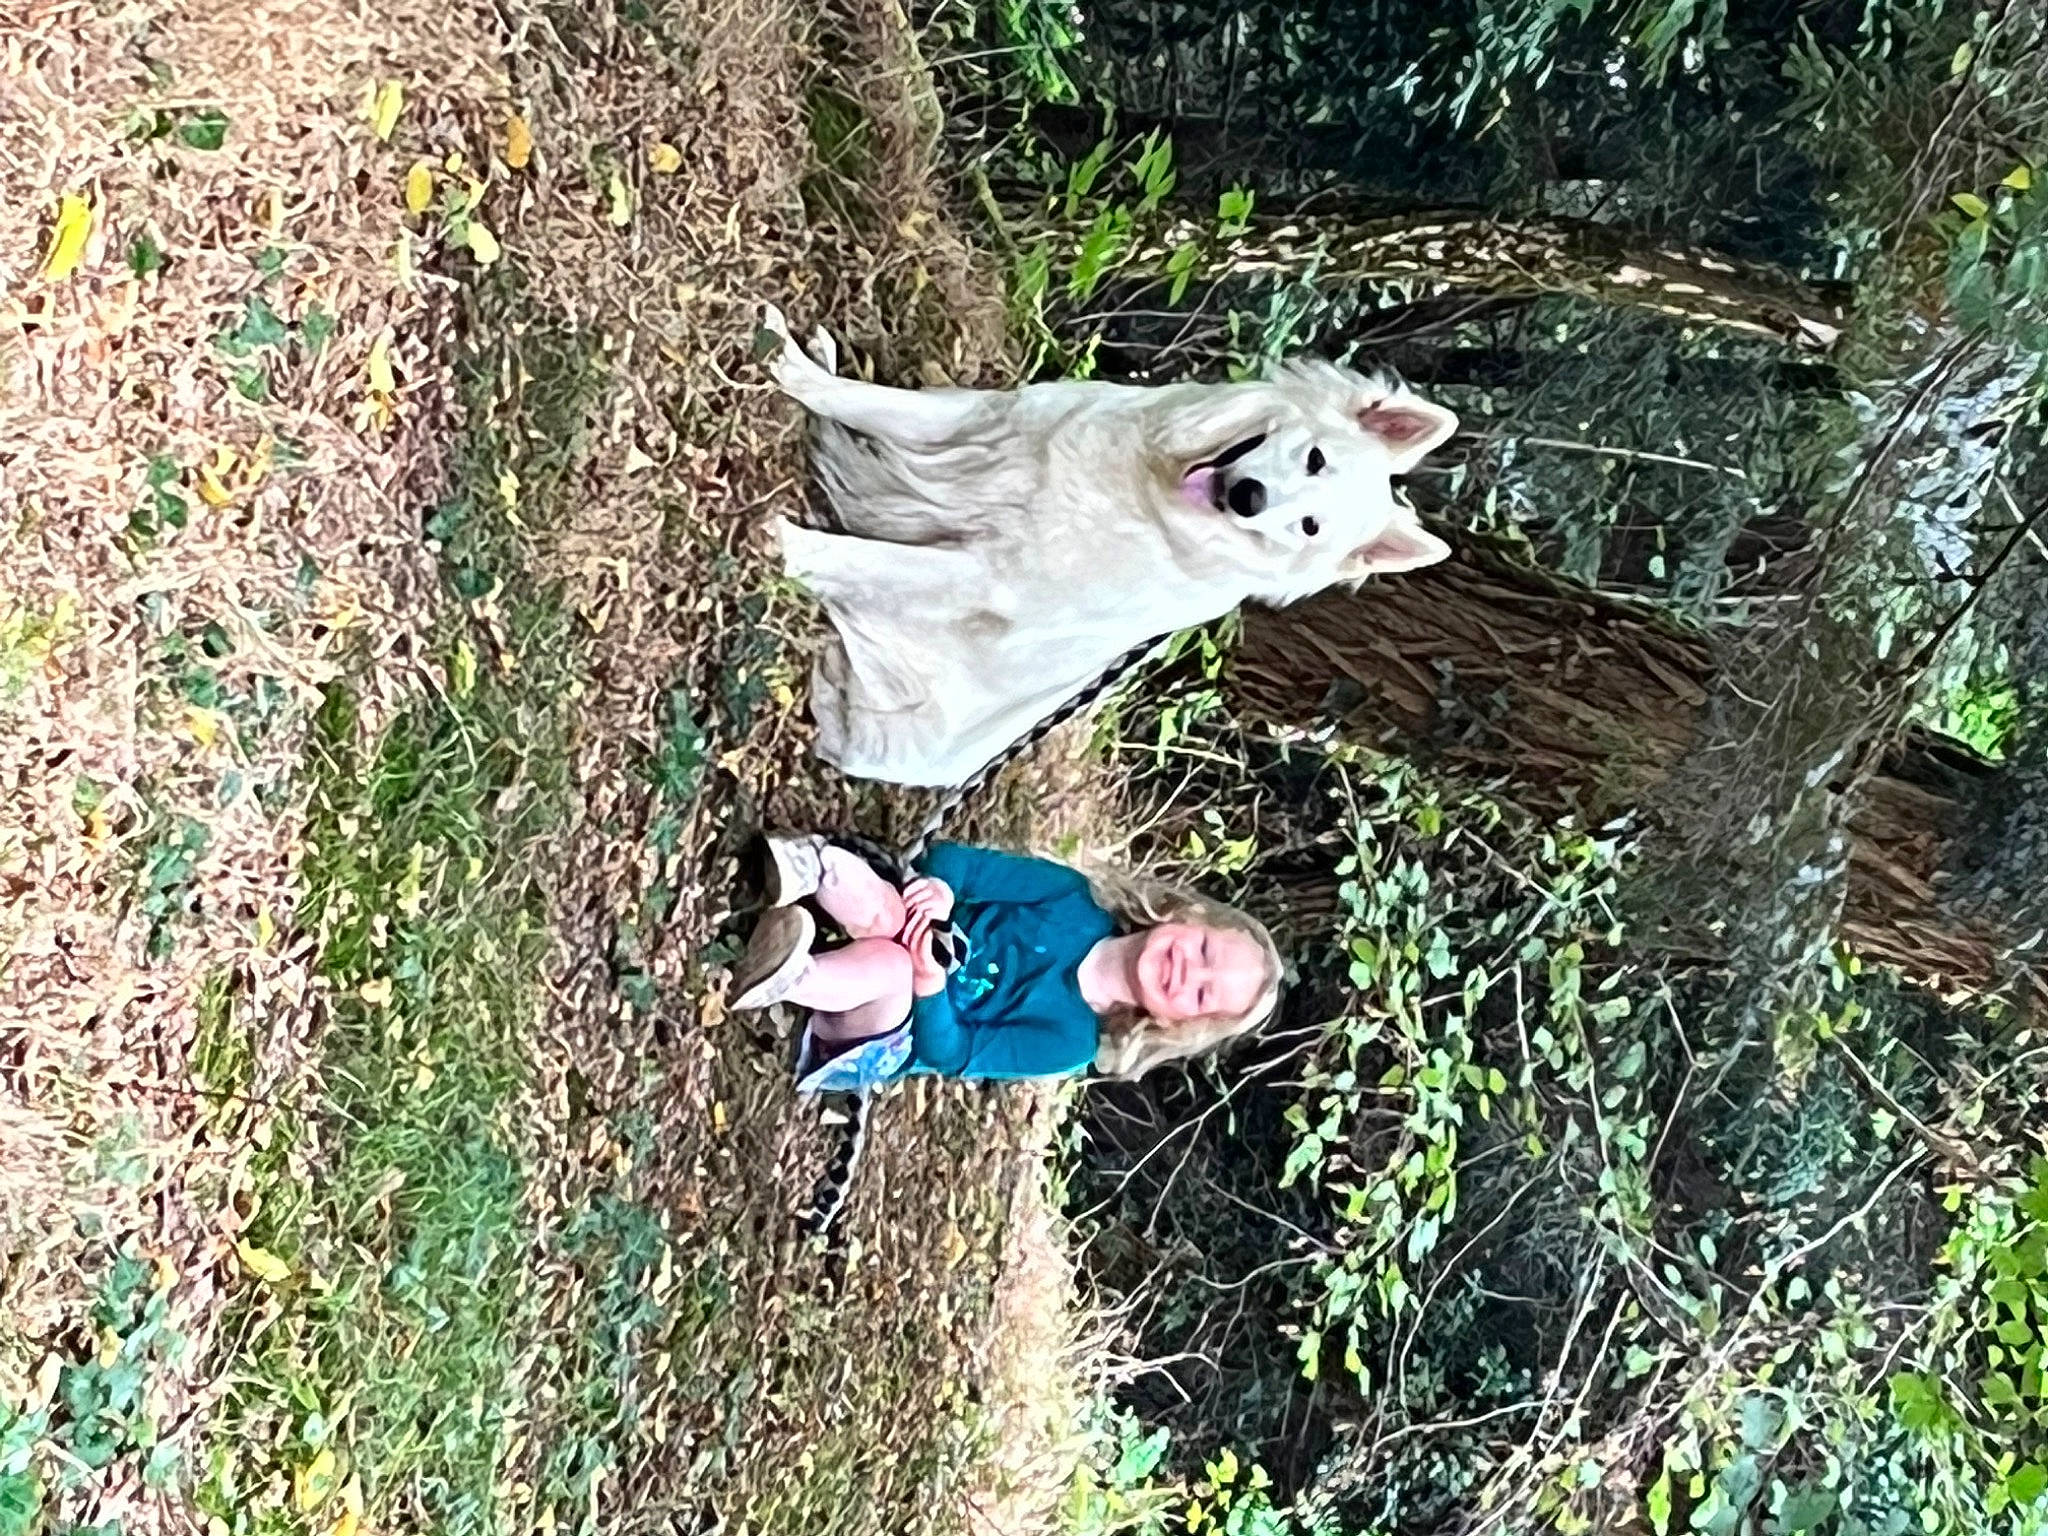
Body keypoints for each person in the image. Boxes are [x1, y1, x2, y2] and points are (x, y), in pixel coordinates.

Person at [728, 834, 1283, 1093]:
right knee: (892, 909)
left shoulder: (1070, 1043)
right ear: (1182, 917)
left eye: (1203, 994)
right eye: (1205, 952)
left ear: (1180, 1023)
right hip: (907, 931)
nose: (1189, 971)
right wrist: (942, 891)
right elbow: (960, 862)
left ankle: (791, 977)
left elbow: (948, 1055)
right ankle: (806, 870)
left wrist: (928, 983)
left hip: (887, 1032)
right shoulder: (1072, 899)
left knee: (896, 966)